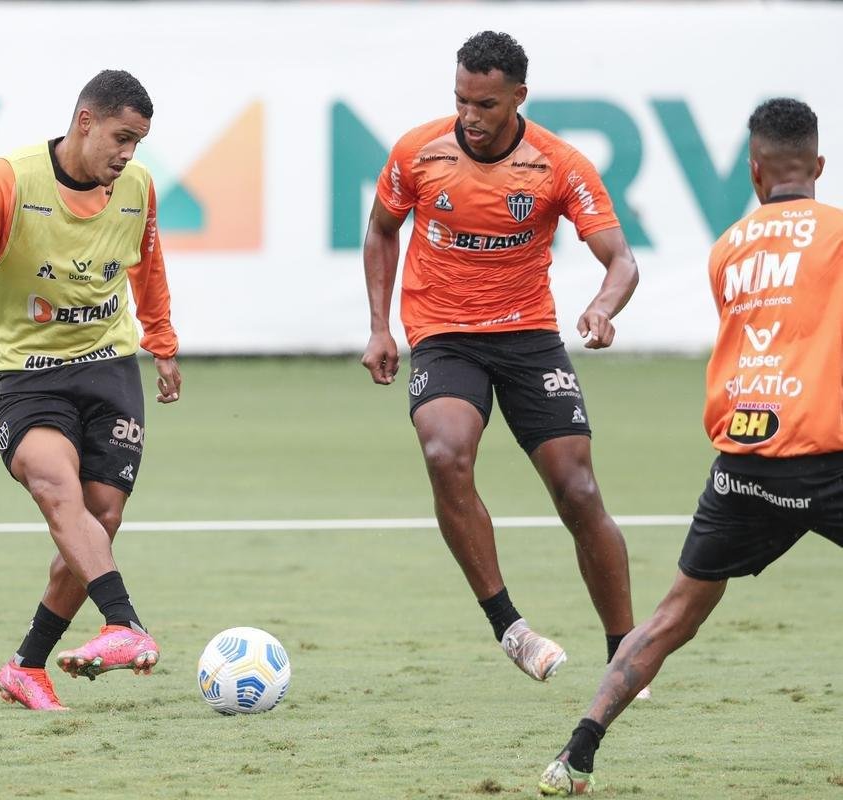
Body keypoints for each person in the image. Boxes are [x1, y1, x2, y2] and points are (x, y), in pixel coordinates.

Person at [538, 97, 842, 795]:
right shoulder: (836, 235)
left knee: (674, 614)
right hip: (825, 460)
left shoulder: (727, 248)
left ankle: (576, 751)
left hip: (743, 463)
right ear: (817, 165)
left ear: (753, 170)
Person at [361, 31, 642, 682]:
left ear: (517, 97)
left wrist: (602, 307)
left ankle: (625, 652)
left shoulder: (559, 163)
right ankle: (509, 627)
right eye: (460, 100)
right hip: (443, 334)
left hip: (527, 337)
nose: (469, 117)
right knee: (443, 452)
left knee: (576, 490)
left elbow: (621, 261)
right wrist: (380, 326)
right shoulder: (416, 152)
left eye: (484, 104)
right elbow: (380, 229)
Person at [0, 69, 181, 712]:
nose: (128, 155)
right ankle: (123, 623)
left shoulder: (138, 189)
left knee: (101, 519)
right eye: (121, 138)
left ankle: (26, 665)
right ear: (85, 122)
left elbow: (148, 267)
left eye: (139, 143)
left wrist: (163, 342)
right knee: (55, 486)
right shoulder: (12, 177)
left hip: (110, 367)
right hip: (30, 375)